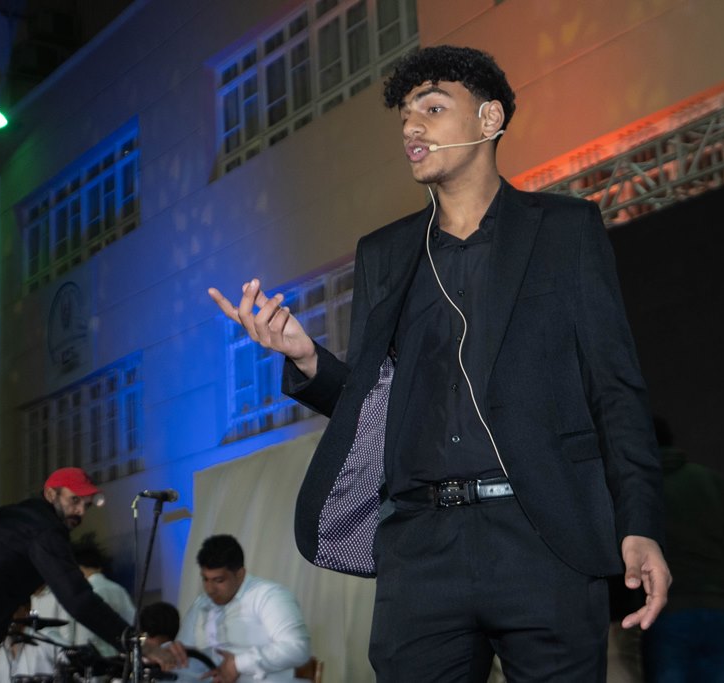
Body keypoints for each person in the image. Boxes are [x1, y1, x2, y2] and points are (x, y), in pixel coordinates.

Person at [208, 44, 671, 682]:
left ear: (488, 119)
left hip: (543, 538)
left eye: (431, 108)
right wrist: (308, 357)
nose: (411, 127)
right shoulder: (385, 253)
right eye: (404, 115)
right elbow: (377, 405)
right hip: (421, 549)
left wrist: (640, 523)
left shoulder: (565, 230)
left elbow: (614, 389)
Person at [0, 467, 181, 683]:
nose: (80, 512)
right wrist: (136, 644)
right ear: (50, 494)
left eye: (86, 504)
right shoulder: (45, 529)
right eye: (74, 500)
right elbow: (78, 600)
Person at [640, 417, 724, 682]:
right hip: (718, 608)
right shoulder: (710, 480)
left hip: (665, 610)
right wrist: (720, 581)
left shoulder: (639, 492)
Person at [171, 535, 309, 683]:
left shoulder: (269, 596)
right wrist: (169, 653)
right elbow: (184, 655)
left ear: (240, 574)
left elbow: (297, 648)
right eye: (205, 579)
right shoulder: (201, 604)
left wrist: (238, 664)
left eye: (219, 580)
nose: (210, 589)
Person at [0, 603, 56, 683]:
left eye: (12, 610)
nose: (8, 616)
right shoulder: (0, 655)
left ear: (26, 610)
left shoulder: (45, 641)